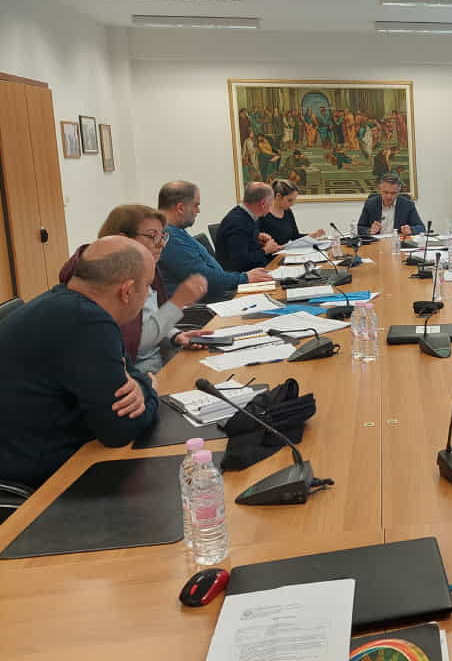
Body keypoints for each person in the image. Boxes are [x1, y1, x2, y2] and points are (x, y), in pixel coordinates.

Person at [0, 237, 161, 488]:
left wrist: (140, 386)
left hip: (35, 449)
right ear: (127, 291)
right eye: (148, 285)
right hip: (39, 478)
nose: (149, 294)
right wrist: (150, 391)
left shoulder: (66, 304)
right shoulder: (86, 322)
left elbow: (128, 370)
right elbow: (119, 430)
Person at [58, 205, 210, 374]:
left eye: (163, 236)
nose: (161, 244)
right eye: (152, 236)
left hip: (159, 360)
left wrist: (174, 335)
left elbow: (152, 317)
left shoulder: (147, 268)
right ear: (123, 239)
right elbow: (133, 344)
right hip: (139, 373)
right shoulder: (110, 281)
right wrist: (177, 303)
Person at [157, 180, 272, 301]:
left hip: (218, 294)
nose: (198, 211)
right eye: (196, 205)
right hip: (204, 305)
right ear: (180, 208)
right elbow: (203, 277)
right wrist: (245, 278)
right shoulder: (169, 237)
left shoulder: (177, 231)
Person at [216, 182, 282, 272]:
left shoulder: (245, 215)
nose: (270, 209)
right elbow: (240, 261)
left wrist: (256, 237)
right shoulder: (237, 223)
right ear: (263, 204)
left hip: (255, 269)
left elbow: (244, 243)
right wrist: (265, 250)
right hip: (242, 275)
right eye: (270, 205)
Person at [259, 180, 327, 246]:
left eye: (294, 200)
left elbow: (295, 236)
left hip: (285, 252)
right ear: (278, 196)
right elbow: (256, 243)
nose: (292, 204)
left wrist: (313, 235)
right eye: (290, 200)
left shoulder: (288, 212)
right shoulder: (261, 214)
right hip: (271, 253)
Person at [356, 173, 425, 236]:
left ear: (398, 191)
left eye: (393, 193)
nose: (389, 196)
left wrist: (411, 230)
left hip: (398, 242)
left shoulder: (407, 205)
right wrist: (370, 230)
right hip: (376, 242)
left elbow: (421, 228)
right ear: (380, 189)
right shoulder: (370, 204)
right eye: (385, 192)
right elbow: (360, 228)